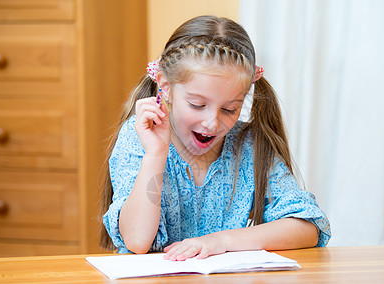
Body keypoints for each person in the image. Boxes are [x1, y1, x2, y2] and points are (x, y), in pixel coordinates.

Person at [100, 15, 331, 261]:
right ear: (165, 87)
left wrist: (222, 241)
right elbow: (137, 241)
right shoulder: (139, 137)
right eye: (197, 105)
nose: (212, 123)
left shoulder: (249, 145)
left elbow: (308, 228)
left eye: (230, 109)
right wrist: (155, 155)